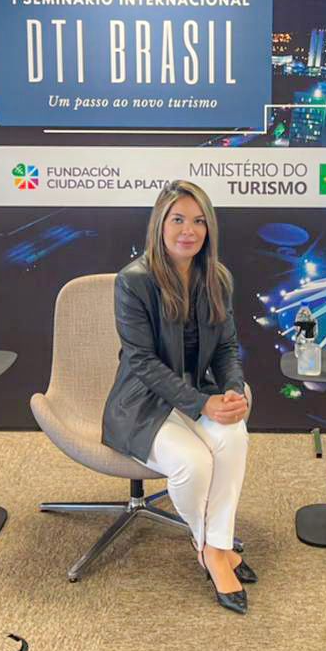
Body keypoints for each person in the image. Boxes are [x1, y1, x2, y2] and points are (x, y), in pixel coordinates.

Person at [101, 180, 254, 614]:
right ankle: (211, 549)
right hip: (141, 402)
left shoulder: (217, 277)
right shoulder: (133, 281)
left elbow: (226, 348)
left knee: (233, 437)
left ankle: (216, 547)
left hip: (196, 392)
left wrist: (232, 389)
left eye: (199, 221)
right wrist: (202, 404)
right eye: (178, 220)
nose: (189, 230)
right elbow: (142, 362)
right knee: (194, 463)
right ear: (160, 224)